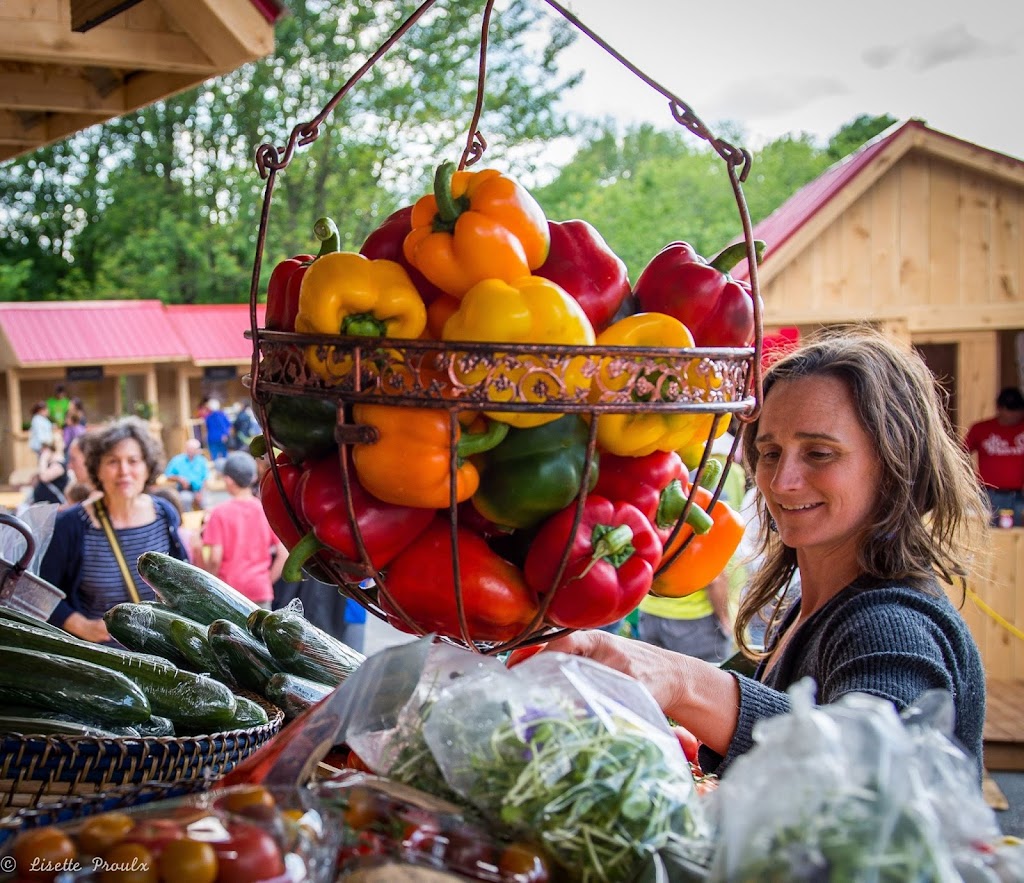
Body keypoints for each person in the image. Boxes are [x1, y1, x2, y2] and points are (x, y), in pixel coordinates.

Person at [518, 326, 990, 779]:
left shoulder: (890, 623)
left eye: (819, 454)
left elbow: (874, 771)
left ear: (895, 463)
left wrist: (683, 682)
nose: (782, 483)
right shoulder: (815, 609)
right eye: (769, 453)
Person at [40, 417, 188, 643]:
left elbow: (185, 582)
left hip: (160, 656)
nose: (124, 471)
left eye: (133, 460)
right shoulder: (71, 525)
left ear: (148, 467)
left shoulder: (164, 514)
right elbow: (42, 593)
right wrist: (83, 627)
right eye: (112, 461)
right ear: (97, 469)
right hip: (100, 660)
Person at [636, 437, 746, 663]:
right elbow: (715, 578)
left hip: (649, 610)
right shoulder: (719, 501)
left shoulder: (658, 485)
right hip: (694, 620)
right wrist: (725, 618)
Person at [199, 451, 286, 609]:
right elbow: (284, 553)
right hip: (260, 590)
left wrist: (210, 584)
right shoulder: (265, 509)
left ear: (228, 480)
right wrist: (266, 580)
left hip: (228, 593)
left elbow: (214, 559)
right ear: (253, 477)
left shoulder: (219, 513)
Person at [965, 386, 1024, 526]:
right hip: (988, 495)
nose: (1014, 414)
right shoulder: (981, 429)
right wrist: (967, 484)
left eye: (1017, 410)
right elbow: (960, 455)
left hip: (1019, 496)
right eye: (1009, 410)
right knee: (989, 538)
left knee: (1019, 538)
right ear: (999, 408)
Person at [163, 438, 211, 511]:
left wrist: (200, 493)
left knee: (206, 503)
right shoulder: (177, 460)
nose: (191, 451)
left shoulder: (202, 461)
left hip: (200, 490)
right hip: (185, 490)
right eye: (189, 448)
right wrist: (179, 478)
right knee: (185, 499)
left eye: (193, 449)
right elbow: (168, 474)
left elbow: (205, 479)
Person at [31, 439, 70, 506]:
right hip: (43, 505)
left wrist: (43, 459)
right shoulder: (50, 465)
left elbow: (44, 477)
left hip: (53, 506)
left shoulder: (59, 465)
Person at [204, 398, 232, 462]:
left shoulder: (209, 417)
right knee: (223, 454)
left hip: (214, 438)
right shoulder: (221, 415)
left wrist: (224, 434)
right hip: (219, 438)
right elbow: (227, 425)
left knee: (215, 455)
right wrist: (225, 434)